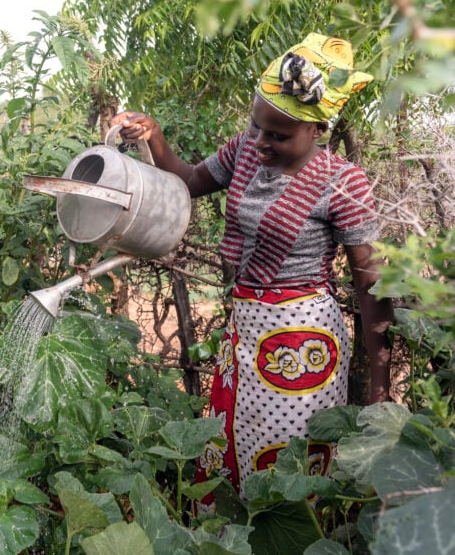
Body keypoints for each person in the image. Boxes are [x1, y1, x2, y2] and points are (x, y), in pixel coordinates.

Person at [111, 33, 394, 501]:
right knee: (233, 457)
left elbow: (371, 284)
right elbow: (188, 180)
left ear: (317, 128)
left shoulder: (343, 183)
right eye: (257, 126)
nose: (261, 141)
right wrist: (154, 134)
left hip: (303, 347)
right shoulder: (245, 149)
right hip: (242, 334)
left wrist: (380, 393)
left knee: (285, 477)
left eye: (278, 135)